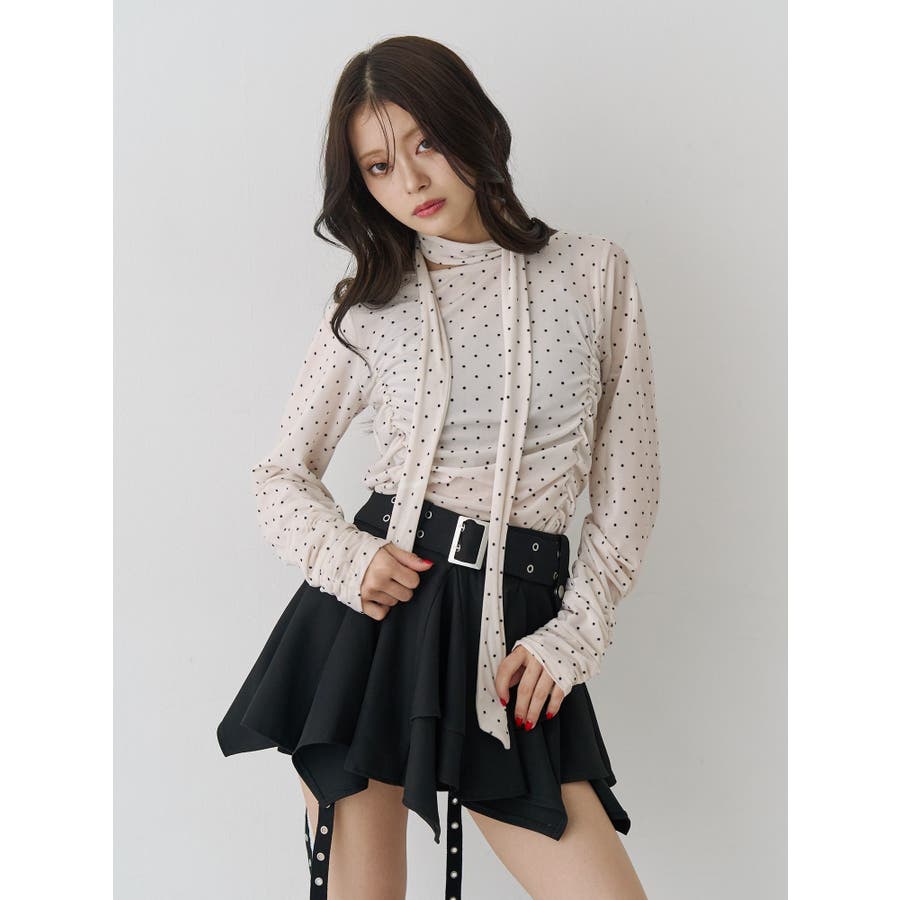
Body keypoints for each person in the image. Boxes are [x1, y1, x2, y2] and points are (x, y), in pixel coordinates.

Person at [217, 34, 660, 900]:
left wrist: (574, 635)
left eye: (426, 143)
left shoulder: (594, 273)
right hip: (373, 624)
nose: (412, 181)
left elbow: (629, 487)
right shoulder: (370, 305)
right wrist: (345, 557)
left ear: (475, 126)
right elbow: (280, 474)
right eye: (379, 166)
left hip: (516, 637)